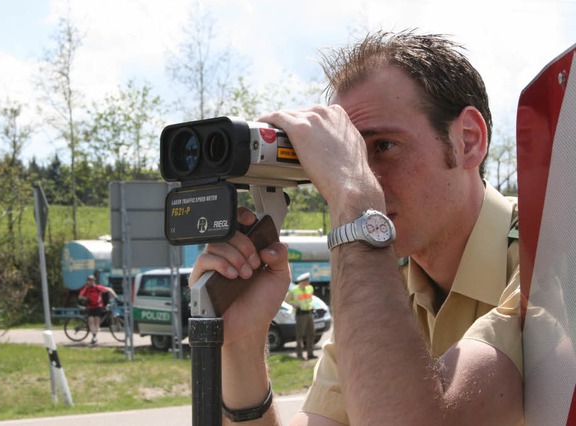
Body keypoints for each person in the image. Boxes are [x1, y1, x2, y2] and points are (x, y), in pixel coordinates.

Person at [190, 29, 523, 425]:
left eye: (383, 146)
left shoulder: (552, 255)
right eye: (349, 157)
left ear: (468, 140)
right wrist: (241, 345)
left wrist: (353, 198)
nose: (367, 179)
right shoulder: (382, 280)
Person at [78, 275, 118, 345]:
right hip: (90, 307)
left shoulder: (98, 287)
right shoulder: (86, 288)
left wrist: (116, 298)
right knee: (91, 321)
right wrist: (87, 299)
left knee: (96, 321)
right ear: (87, 282)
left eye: (92, 280)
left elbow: (110, 289)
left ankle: (94, 336)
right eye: (89, 280)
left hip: (98, 306)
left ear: (94, 281)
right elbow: (80, 297)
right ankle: (94, 337)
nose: (91, 282)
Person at [285, 272, 316, 360]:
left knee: (311, 334)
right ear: (302, 281)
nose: (308, 282)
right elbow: (286, 300)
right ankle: (300, 355)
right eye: (307, 280)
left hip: (309, 313)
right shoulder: (294, 290)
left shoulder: (310, 288)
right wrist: (294, 304)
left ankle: (310, 354)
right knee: (300, 335)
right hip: (300, 315)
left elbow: (310, 299)